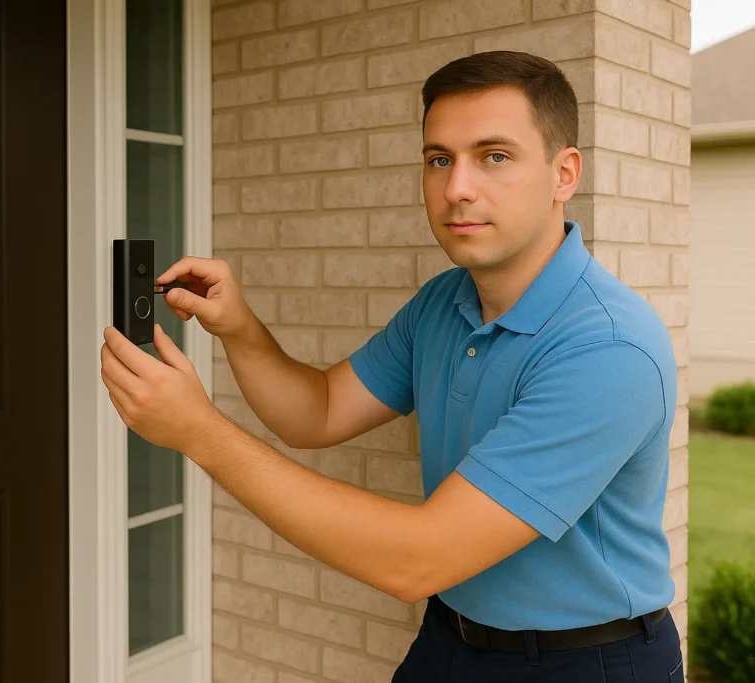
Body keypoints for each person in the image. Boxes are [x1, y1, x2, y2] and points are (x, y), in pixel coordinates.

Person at [100, 50, 682, 682]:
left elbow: (418, 560)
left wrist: (199, 433)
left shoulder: (607, 349)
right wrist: (239, 330)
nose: (457, 187)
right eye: (439, 159)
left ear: (563, 173)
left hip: (587, 661)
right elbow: (318, 411)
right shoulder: (443, 302)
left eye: (495, 156)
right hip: (450, 638)